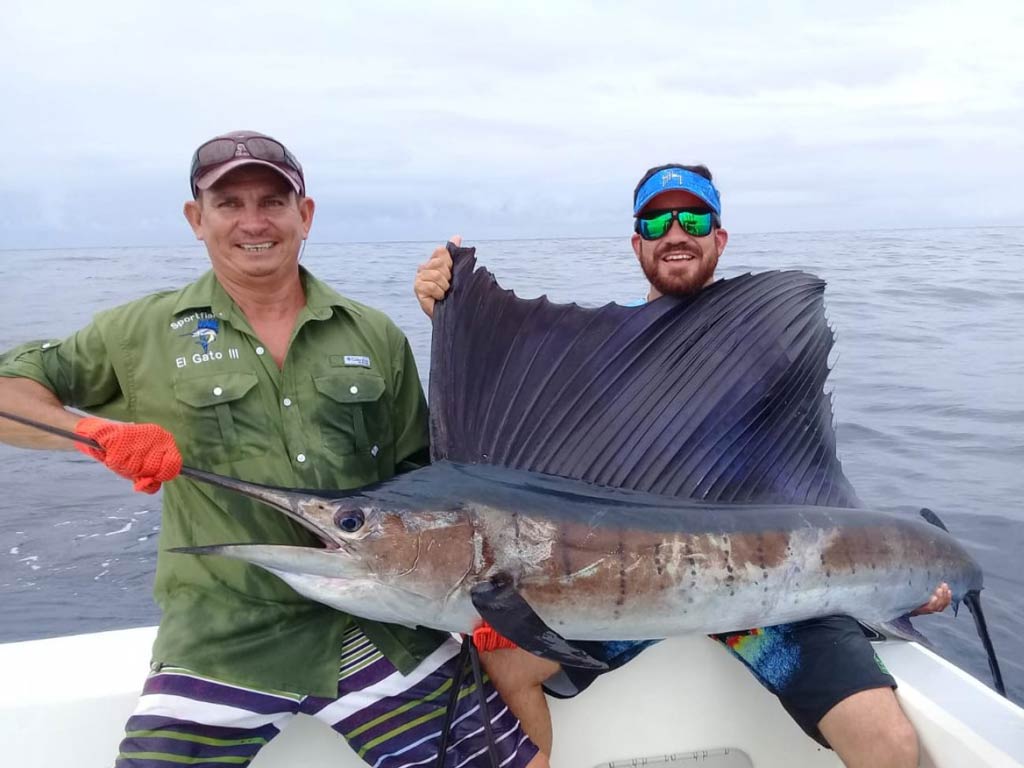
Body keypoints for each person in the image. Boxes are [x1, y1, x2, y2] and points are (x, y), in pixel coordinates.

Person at [0, 131, 544, 768]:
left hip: (377, 625)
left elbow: (423, 483)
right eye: (229, 203)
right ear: (195, 219)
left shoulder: (373, 333)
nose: (254, 222)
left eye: (273, 202)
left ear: (304, 215)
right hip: (225, 635)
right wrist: (97, 434)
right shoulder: (138, 332)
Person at [412, 163, 953, 768]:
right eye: (656, 219)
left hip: (771, 594)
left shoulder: (764, 348)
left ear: (718, 238)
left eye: (693, 217)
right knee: (505, 665)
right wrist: (456, 321)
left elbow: (822, 495)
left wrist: (901, 580)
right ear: (637, 241)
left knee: (888, 741)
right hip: (630, 590)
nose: (676, 231)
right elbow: (523, 429)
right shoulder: (596, 370)